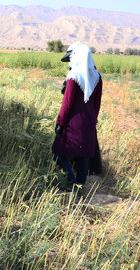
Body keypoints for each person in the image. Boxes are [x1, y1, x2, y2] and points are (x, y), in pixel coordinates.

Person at [52, 42, 103, 189]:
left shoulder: (73, 76)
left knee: (57, 153)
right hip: (89, 122)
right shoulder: (97, 77)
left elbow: (66, 104)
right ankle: (80, 186)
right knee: (83, 156)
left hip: (73, 123)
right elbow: (97, 104)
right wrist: (93, 120)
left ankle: (71, 182)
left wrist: (60, 123)